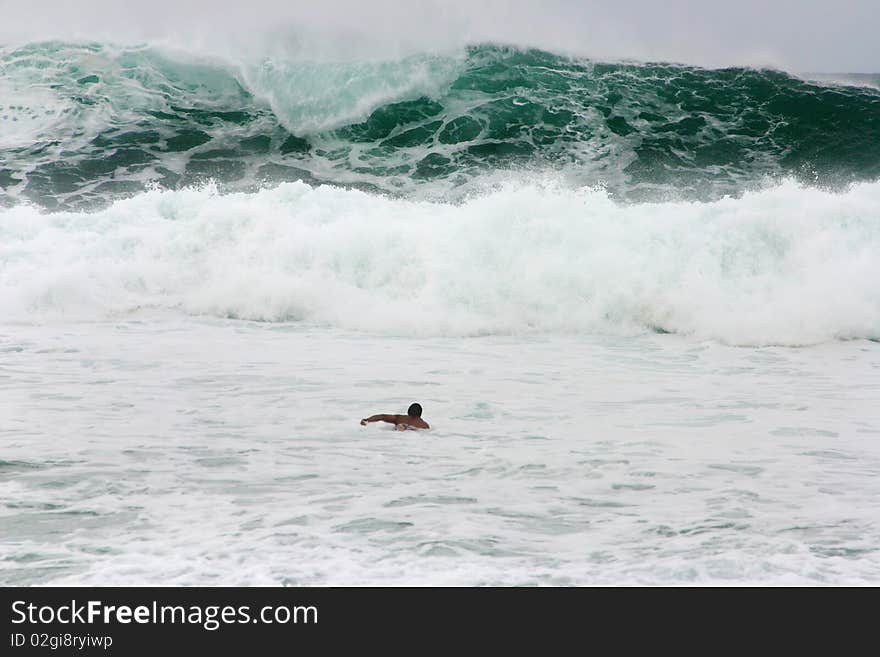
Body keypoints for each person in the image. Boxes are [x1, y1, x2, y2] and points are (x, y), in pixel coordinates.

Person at [360, 403, 430, 430]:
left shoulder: (400, 418)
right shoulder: (424, 425)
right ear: (420, 413)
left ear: (408, 411)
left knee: (400, 427)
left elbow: (382, 416)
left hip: (397, 433)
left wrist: (367, 420)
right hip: (410, 435)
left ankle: (403, 427)